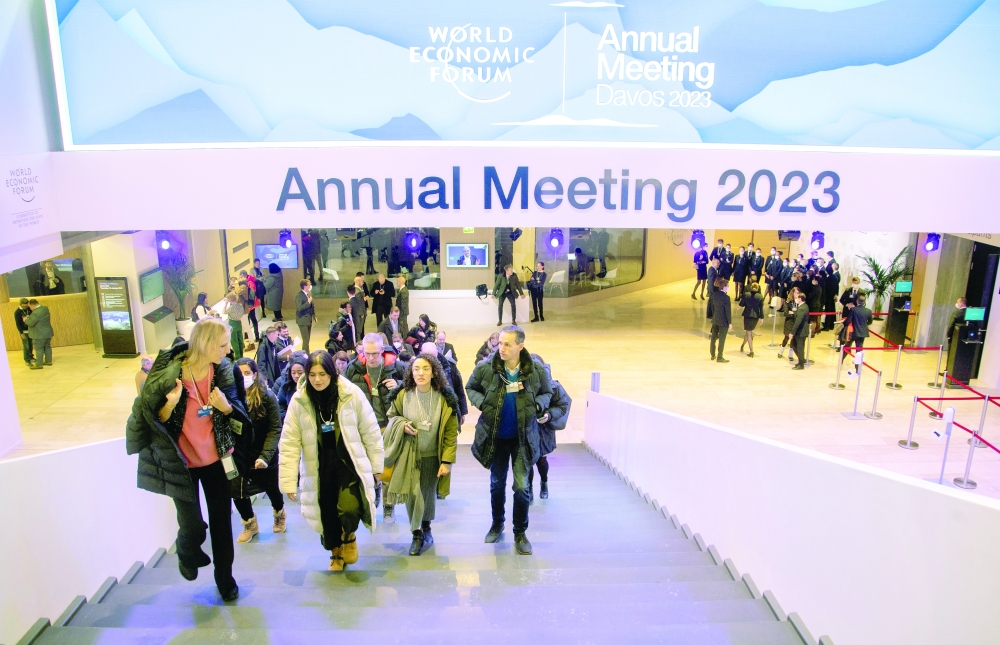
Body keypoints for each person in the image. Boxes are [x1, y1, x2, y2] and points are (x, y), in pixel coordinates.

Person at [125, 318, 252, 601]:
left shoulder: (224, 372)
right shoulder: (170, 375)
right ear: (205, 344)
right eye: (221, 345)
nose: (226, 350)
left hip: (217, 463)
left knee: (222, 523)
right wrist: (170, 404)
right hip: (182, 465)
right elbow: (154, 422)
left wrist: (226, 408)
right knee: (192, 524)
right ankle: (187, 550)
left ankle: (225, 579)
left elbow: (240, 413)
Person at [278, 350, 384, 572]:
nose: (317, 380)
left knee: (349, 507)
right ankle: (335, 552)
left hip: (348, 463)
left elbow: (370, 431)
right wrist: (287, 481)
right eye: (313, 374)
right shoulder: (300, 400)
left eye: (323, 374)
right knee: (325, 510)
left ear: (332, 373)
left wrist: (376, 466)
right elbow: (288, 442)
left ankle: (349, 534)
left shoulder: (350, 394)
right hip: (319, 466)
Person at [466, 325, 552, 555]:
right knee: (496, 484)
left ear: (520, 346)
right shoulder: (486, 368)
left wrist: (537, 405)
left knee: (522, 487)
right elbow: (470, 387)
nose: (500, 348)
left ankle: (520, 532)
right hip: (496, 437)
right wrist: (483, 403)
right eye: (500, 343)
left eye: (507, 344)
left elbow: (547, 392)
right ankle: (497, 523)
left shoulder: (537, 370)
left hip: (523, 438)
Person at [383, 354, 460, 555]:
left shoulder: (445, 397)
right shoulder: (403, 394)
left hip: (432, 456)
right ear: (411, 372)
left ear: (434, 372)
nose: (420, 373)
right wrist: (403, 426)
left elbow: (451, 431)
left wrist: (447, 460)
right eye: (416, 368)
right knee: (413, 494)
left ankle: (426, 527)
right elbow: (392, 417)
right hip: (409, 454)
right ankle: (416, 534)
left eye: (426, 368)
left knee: (426, 494)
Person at [344, 333, 406, 520]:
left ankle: (389, 504)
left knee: (387, 466)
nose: (371, 358)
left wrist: (399, 384)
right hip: (363, 427)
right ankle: (375, 490)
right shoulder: (353, 369)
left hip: (387, 425)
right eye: (367, 353)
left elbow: (412, 388)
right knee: (366, 466)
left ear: (382, 350)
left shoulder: (397, 367)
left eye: (374, 354)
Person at [233, 357, 287, 543]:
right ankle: (249, 523)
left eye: (247, 373)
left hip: (265, 452)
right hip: (239, 454)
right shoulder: (230, 396)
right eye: (239, 373)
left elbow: (274, 429)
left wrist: (265, 456)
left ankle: (279, 513)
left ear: (255, 374)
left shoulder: (267, 396)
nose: (243, 377)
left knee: (272, 489)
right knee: (238, 492)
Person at [527, 354, 571, 503]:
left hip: (544, 430)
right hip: (526, 429)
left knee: (541, 461)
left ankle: (544, 483)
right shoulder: (519, 384)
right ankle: (529, 489)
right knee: (527, 461)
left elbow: (563, 405)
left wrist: (549, 415)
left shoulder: (554, 386)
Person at [273, 353, 308, 420]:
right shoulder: (286, 385)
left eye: (300, 372)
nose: (296, 376)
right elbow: (279, 403)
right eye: (293, 373)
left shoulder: (312, 385)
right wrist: (286, 416)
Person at [707, 279, 732, 363]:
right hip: (723, 321)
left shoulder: (714, 295)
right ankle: (720, 356)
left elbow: (711, 307)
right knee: (722, 339)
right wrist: (730, 322)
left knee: (713, 338)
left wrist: (712, 316)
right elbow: (727, 311)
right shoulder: (726, 298)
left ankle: (712, 354)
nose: (728, 287)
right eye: (727, 286)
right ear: (724, 287)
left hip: (715, 319)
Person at [843, 294, 873, 360]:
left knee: (847, 346)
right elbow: (870, 322)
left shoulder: (853, 310)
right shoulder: (868, 311)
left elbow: (848, 320)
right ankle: (858, 366)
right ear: (864, 302)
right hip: (862, 332)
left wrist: (844, 323)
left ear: (857, 301)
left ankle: (841, 360)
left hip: (853, 331)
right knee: (859, 349)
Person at [25, 299, 54, 368]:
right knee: (47, 346)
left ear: (33, 305)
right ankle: (48, 361)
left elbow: (31, 323)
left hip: (39, 334)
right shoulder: (45, 308)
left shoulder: (35, 313)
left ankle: (38, 364)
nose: (30, 308)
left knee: (39, 349)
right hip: (48, 332)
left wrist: (25, 320)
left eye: (30, 307)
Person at [739, 281, 764, 358]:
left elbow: (741, 304)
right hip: (755, 316)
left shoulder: (746, 295)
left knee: (748, 332)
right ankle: (742, 345)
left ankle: (751, 351)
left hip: (747, 315)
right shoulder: (760, 297)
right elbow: (761, 308)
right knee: (748, 332)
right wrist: (762, 318)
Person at [778, 287, 801, 362]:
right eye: (795, 292)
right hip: (789, 322)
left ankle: (790, 354)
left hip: (796, 322)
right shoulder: (789, 302)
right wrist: (793, 314)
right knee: (787, 337)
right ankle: (781, 351)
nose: (796, 294)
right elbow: (786, 313)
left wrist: (793, 313)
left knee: (793, 339)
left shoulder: (800, 302)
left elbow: (799, 313)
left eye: (798, 293)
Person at [295, 279, 316, 354]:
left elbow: (311, 307)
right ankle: (307, 355)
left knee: (307, 340)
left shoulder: (308, 294)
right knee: (306, 339)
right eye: (309, 285)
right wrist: (308, 302)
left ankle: (304, 353)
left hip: (308, 320)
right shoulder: (299, 296)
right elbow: (299, 308)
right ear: (305, 286)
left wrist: (314, 316)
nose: (310, 286)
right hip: (302, 321)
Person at [240, 270, 261, 344]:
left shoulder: (249, 284)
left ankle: (254, 336)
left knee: (251, 319)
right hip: (252, 305)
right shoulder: (251, 282)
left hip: (249, 306)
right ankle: (253, 335)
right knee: (251, 319)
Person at [791, 292, 811, 370]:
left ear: (800, 299)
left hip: (801, 331)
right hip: (801, 331)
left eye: (797, 298)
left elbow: (798, 321)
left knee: (799, 347)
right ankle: (800, 361)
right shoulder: (804, 306)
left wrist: (792, 332)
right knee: (794, 345)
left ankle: (801, 363)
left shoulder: (802, 308)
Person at [222, 292, 245, 359]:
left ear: (229, 299)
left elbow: (223, 312)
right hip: (239, 323)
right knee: (240, 339)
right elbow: (242, 313)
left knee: (234, 341)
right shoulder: (240, 306)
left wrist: (225, 304)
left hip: (232, 324)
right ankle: (241, 354)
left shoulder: (231, 308)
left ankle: (237, 356)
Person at [14, 298, 34, 367]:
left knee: (31, 344)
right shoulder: (17, 312)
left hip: (30, 330)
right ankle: (27, 360)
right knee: (26, 346)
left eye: (26, 305)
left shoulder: (29, 309)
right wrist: (21, 333)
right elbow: (18, 323)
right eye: (24, 306)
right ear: (20, 304)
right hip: (23, 331)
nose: (25, 307)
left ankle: (31, 357)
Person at [823, 262, 841, 331]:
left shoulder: (828, 279)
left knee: (828, 311)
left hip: (828, 297)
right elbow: (837, 287)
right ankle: (831, 325)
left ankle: (827, 326)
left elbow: (826, 288)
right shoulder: (834, 277)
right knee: (831, 311)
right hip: (832, 296)